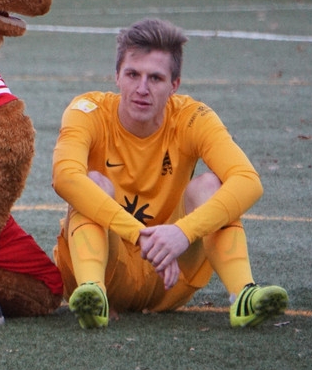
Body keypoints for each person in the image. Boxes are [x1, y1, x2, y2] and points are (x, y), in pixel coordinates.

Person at [51, 18, 288, 329]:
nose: (142, 88)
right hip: (105, 267)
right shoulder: (87, 111)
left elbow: (248, 181)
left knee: (209, 185)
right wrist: (138, 234)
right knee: (92, 184)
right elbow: (64, 177)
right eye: (133, 74)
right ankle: (93, 294)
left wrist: (182, 233)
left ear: (174, 85)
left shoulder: (193, 118)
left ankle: (243, 295)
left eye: (156, 78)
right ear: (117, 77)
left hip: (170, 274)